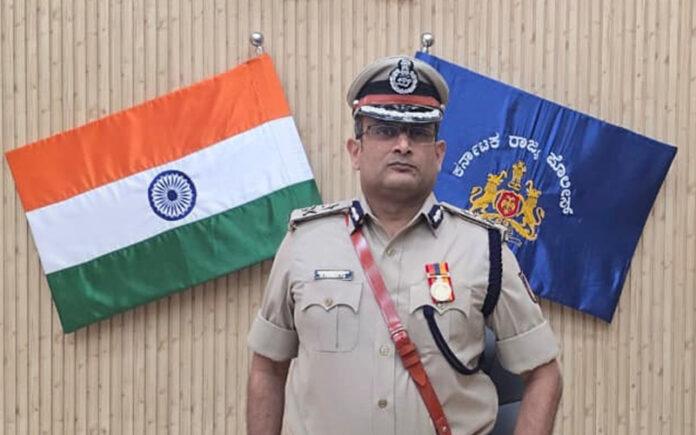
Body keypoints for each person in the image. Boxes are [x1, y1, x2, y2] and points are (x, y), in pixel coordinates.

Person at [246, 55, 562, 435]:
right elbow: (268, 367)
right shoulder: (305, 242)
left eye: (418, 133)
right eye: (384, 130)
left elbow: (543, 373)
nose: (402, 145)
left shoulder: (483, 249)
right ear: (355, 151)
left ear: (439, 153)